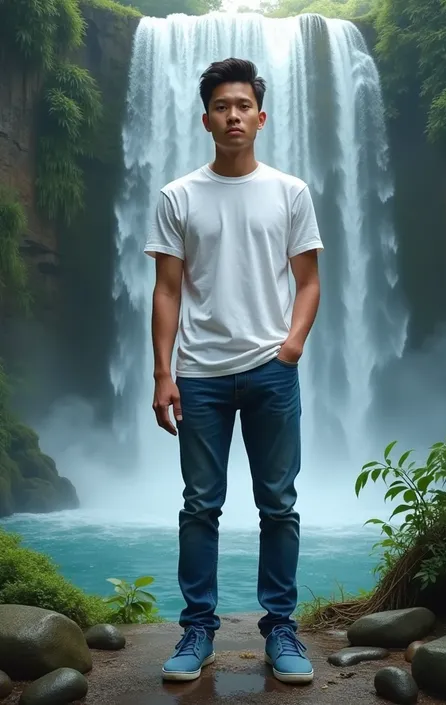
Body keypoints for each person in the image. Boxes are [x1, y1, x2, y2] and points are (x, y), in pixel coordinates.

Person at [144, 57, 324, 685]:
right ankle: (198, 628)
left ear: (261, 116)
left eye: (243, 106)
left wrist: (292, 346)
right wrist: (163, 374)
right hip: (198, 374)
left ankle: (281, 630)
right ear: (206, 119)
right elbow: (167, 290)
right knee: (200, 505)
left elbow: (308, 280)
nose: (233, 116)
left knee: (279, 505)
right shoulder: (178, 195)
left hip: (272, 370)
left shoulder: (289, 191)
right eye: (222, 107)